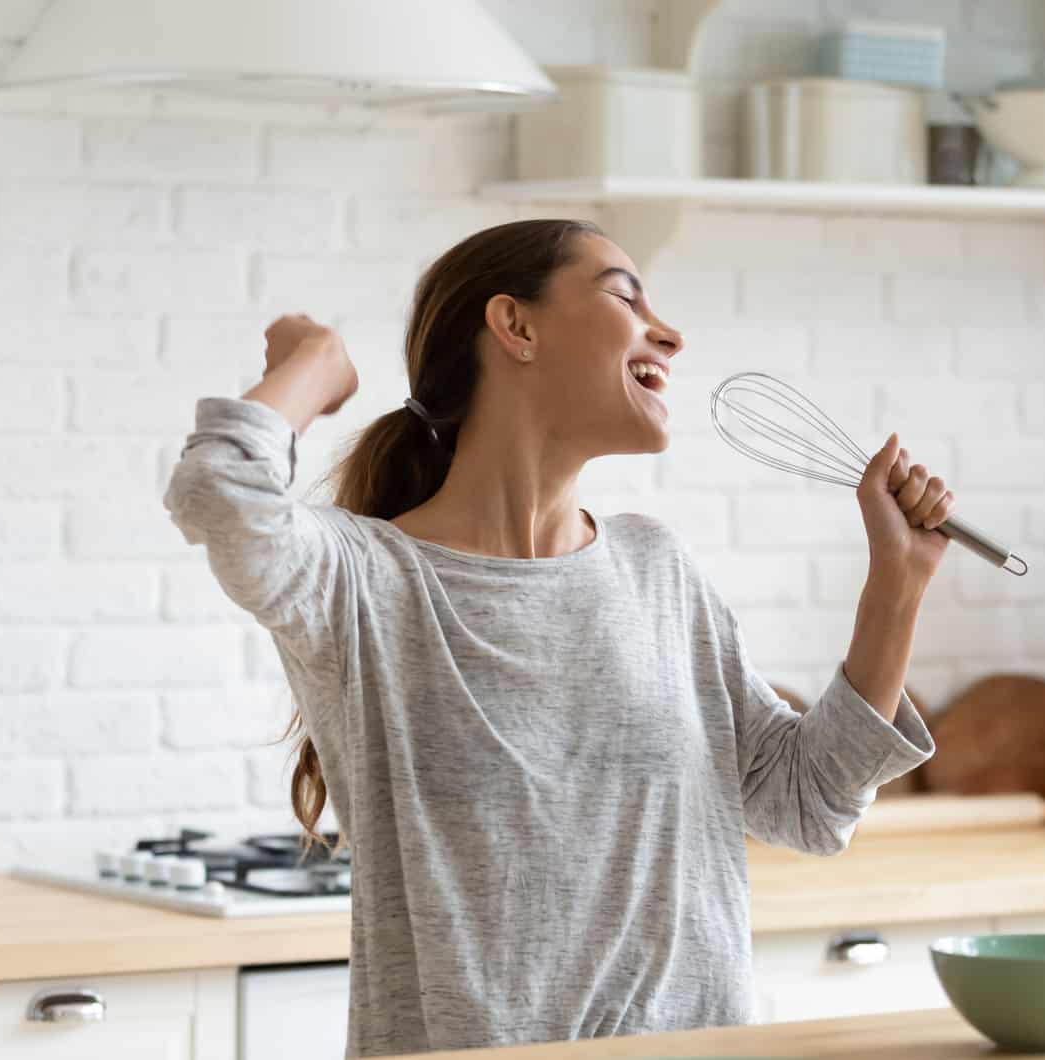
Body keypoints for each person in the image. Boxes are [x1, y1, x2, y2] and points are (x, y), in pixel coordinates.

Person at [163, 218, 951, 1058]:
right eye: (624, 294)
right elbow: (220, 493)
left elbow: (807, 803)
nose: (671, 334)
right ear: (516, 326)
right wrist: (313, 363)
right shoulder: (364, 583)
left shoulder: (658, 570)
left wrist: (896, 586)